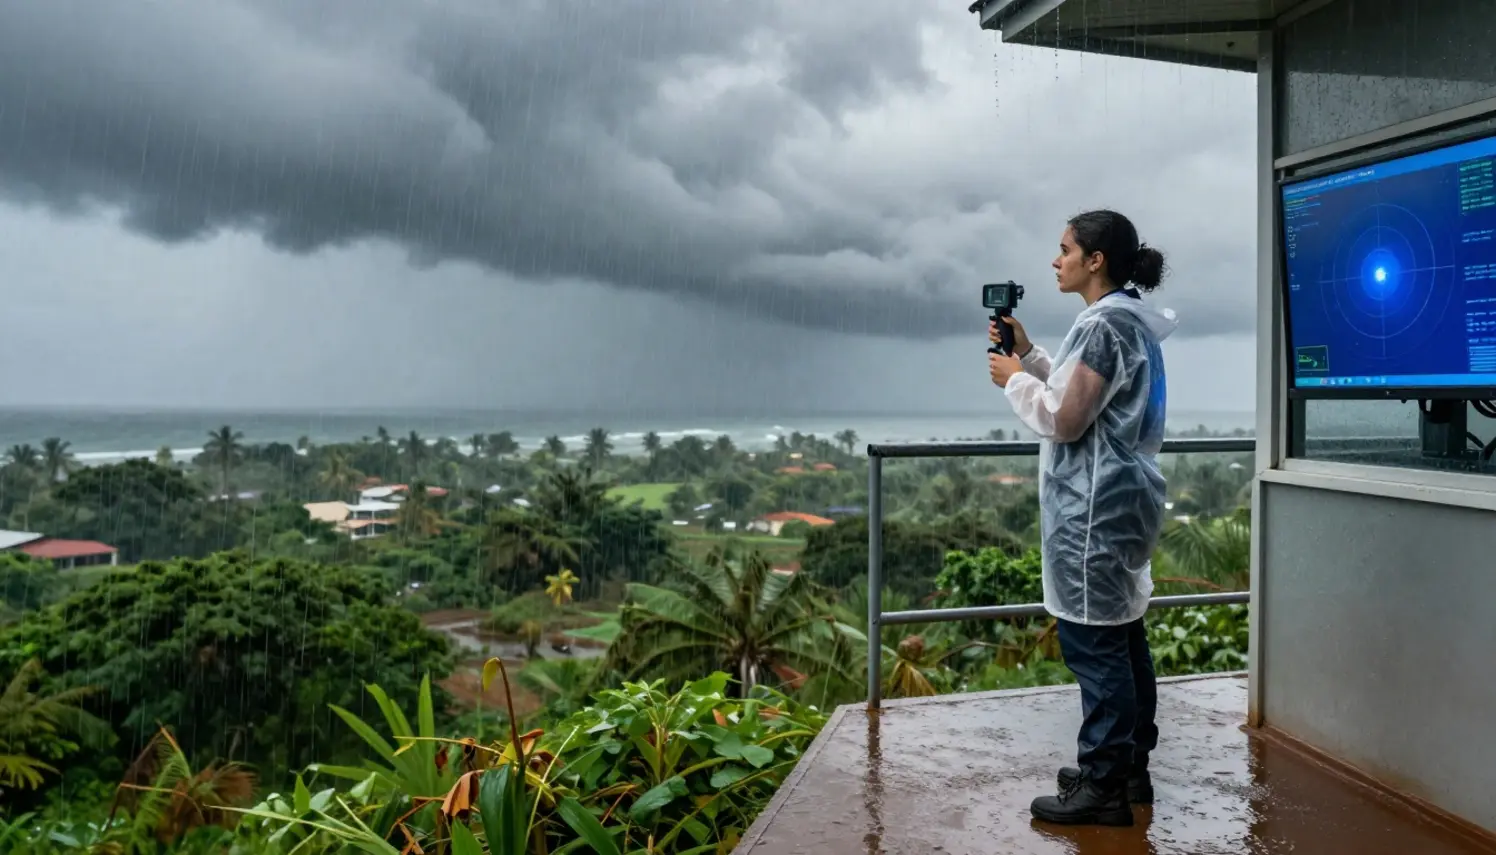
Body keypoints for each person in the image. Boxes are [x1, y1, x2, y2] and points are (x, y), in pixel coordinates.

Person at [986, 209, 1175, 828]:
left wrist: (1015, 380)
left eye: (1064, 249)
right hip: (1119, 502)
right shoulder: (1123, 321)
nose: (1055, 259)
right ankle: (1128, 770)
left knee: (1095, 648)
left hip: (1093, 510)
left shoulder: (1103, 326)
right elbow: (1084, 396)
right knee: (1121, 638)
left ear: (1095, 260)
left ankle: (1103, 789)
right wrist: (1032, 356)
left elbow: (1067, 419)